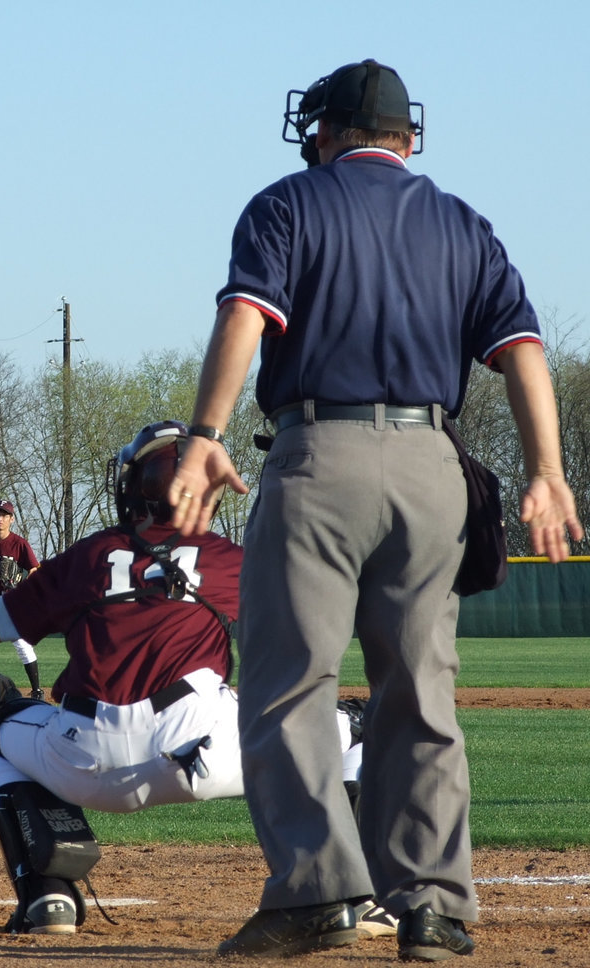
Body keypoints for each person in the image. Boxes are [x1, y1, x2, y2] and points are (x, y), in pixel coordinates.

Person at [166, 60, 584, 961]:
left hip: (321, 454)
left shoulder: (290, 203)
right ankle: (433, 905)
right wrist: (548, 471)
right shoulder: (463, 222)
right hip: (436, 467)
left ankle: (318, 890)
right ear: (408, 136)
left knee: (290, 683)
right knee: (421, 692)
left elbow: (246, 315)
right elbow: (523, 352)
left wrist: (206, 430)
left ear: (324, 131)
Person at [0, 421, 384, 938]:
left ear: (131, 486)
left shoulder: (88, 556)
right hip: (203, 753)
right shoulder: (231, 561)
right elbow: (318, 631)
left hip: (85, 757)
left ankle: (48, 898)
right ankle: (354, 898)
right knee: (357, 727)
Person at [0, 499, 44, 698]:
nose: (0, 519)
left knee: (21, 643)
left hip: (12, 600)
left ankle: (37, 690)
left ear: (11, 519)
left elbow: (33, 569)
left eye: (5, 515)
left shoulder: (19, 543)